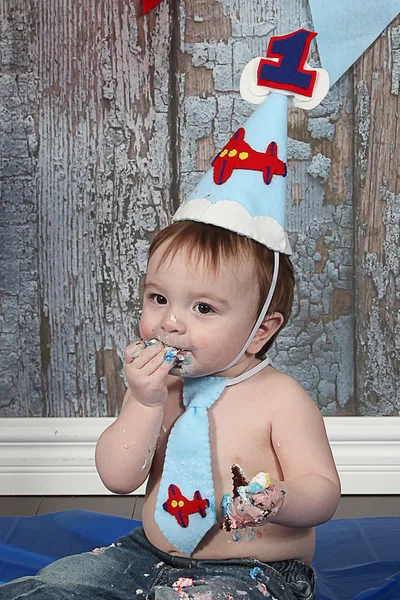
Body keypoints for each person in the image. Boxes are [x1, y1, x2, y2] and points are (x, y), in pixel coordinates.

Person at [0, 28, 340, 600]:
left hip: (254, 572)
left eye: (203, 307)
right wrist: (144, 402)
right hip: (148, 554)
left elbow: (323, 492)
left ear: (261, 331)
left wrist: (279, 497)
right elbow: (118, 477)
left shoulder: (281, 398)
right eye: (158, 298)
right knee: (48, 588)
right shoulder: (162, 387)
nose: (170, 322)